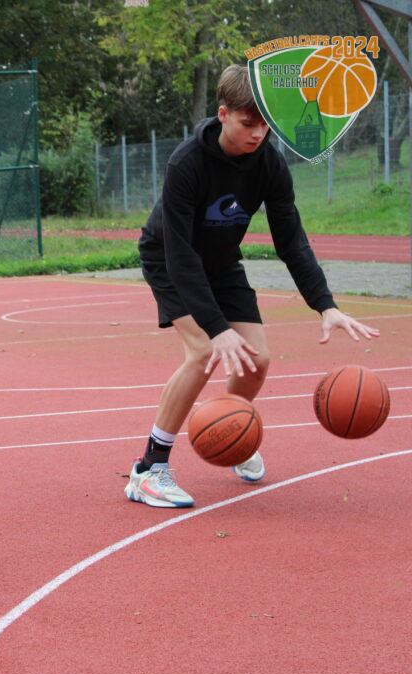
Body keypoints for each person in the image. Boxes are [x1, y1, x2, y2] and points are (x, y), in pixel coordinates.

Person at [124, 64, 380, 508]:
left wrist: (325, 305)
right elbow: (179, 254)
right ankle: (149, 469)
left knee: (256, 360)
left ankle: (230, 427)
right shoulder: (186, 163)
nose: (258, 133)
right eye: (248, 123)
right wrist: (216, 327)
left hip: (222, 262)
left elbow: (291, 240)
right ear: (223, 114)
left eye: (265, 124)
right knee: (204, 352)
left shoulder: (269, 164)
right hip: (170, 259)